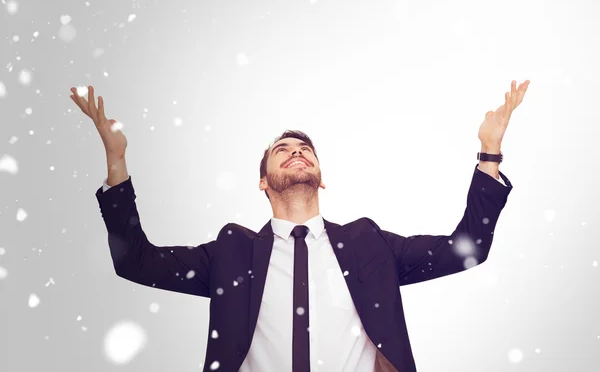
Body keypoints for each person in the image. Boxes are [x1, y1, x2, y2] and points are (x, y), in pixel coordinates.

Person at [70, 79, 530, 372]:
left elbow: (467, 247)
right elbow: (135, 261)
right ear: (263, 181)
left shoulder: (368, 243)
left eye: (305, 148)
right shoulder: (232, 252)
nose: (296, 151)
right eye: (282, 149)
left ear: (321, 177)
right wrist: (116, 159)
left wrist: (489, 151)